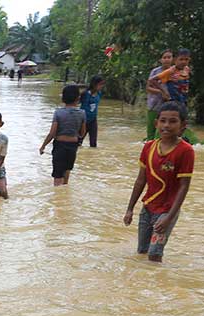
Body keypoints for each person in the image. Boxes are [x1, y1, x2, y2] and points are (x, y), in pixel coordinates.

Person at [122, 102, 195, 263]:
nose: (166, 125)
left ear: (183, 125)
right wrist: (129, 209)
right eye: (163, 121)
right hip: (147, 208)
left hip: (167, 211)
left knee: (154, 254)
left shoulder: (186, 151)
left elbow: (184, 186)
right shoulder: (148, 147)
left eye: (173, 121)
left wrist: (169, 217)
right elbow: (141, 180)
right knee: (142, 251)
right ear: (156, 123)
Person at [39, 84, 86, 186]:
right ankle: (64, 192)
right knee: (67, 170)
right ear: (78, 98)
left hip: (60, 145)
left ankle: (57, 196)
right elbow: (82, 133)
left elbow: (52, 133)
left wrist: (43, 146)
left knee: (57, 174)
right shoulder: (82, 113)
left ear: (63, 98)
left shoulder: (58, 113)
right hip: (73, 146)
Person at [145, 49, 173, 141]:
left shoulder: (175, 72)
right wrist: (161, 92)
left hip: (168, 106)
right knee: (151, 131)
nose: (166, 60)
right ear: (161, 60)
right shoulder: (155, 72)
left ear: (172, 59)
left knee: (163, 131)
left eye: (169, 57)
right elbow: (148, 88)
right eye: (164, 57)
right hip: (154, 105)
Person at [78, 75, 105, 148]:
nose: (102, 86)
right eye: (100, 84)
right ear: (94, 84)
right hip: (84, 121)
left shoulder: (99, 93)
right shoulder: (85, 94)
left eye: (102, 84)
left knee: (93, 143)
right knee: (79, 141)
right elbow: (76, 102)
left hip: (93, 120)